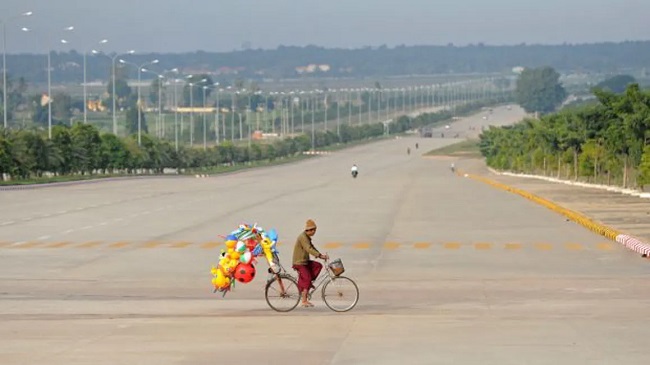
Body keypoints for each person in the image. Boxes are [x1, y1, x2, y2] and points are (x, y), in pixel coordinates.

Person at [292, 219, 328, 307]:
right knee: (307, 278)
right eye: (314, 230)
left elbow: (312, 247)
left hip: (305, 261)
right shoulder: (303, 237)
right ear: (309, 230)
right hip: (299, 262)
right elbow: (308, 249)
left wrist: (320, 255)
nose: (314, 232)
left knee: (318, 266)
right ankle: (304, 300)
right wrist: (319, 256)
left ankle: (307, 284)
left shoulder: (307, 237)